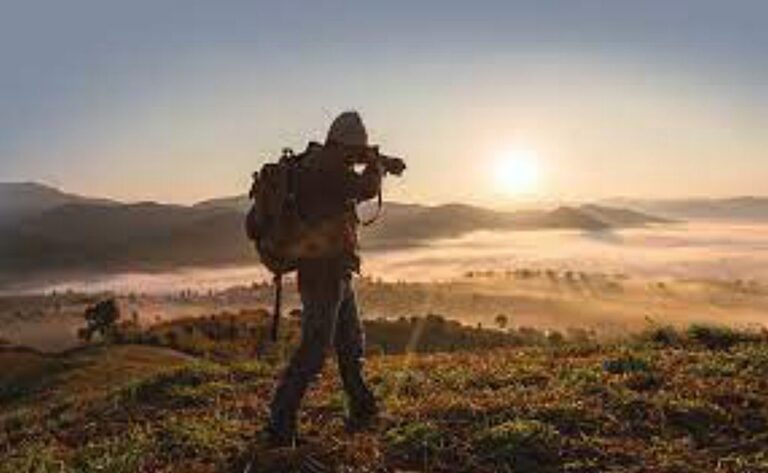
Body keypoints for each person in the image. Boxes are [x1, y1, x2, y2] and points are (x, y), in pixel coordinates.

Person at [265, 111, 387, 446]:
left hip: (334, 270)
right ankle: (279, 423)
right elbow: (366, 188)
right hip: (324, 273)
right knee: (314, 351)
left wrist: (373, 160)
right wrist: (376, 165)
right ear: (349, 145)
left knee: (350, 344)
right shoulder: (330, 168)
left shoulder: (318, 161)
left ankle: (363, 409)